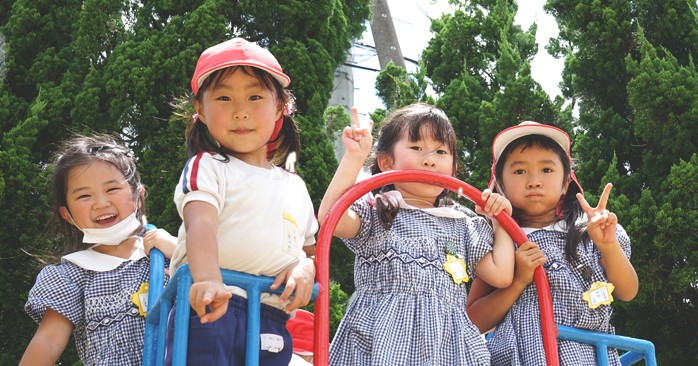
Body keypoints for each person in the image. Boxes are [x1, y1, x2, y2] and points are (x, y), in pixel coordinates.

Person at [318, 102, 516, 365]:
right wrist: (355, 157)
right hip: (382, 338)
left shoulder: (462, 223)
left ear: (453, 169)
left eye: (441, 151)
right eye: (416, 148)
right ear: (388, 162)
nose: (430, 159)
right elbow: (331, 217)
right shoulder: (379, 210)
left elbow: (501, 275)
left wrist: (500, 222)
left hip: (447, 345)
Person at [165, 37, 318, 365]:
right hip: (211, 304)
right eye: (223, 97)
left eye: (255, 96)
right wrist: (207, 279)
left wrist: (305, 269)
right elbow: (200, 222)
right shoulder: (208, 167)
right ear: (200, 111)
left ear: (279, 106)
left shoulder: (295, 186)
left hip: (270, 315)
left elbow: (306, 251)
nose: (240, 111)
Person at [466, 121, 639, 365]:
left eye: (546, 170)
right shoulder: (498, 240)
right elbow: (472, 321)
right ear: (500, 186)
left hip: (591, 357)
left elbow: (627, 291)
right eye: (519, 171)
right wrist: (518, 282)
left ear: (566, 182)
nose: (534, 181)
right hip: (523, 357)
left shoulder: (589, 232)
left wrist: (609, 246)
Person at [20, 133, 177, 366]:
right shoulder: (72, 274)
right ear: (67, 215)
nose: (101, 203)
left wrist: (180, 250)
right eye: (84, 195)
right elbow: (49, 340)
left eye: (112, 189)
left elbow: (224, 285)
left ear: (138, 196)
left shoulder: (169, 251)